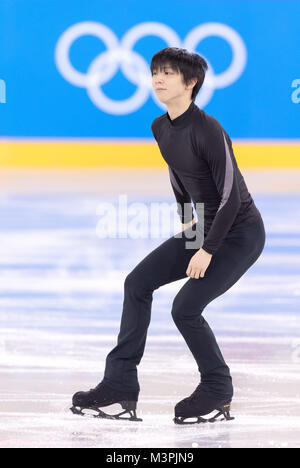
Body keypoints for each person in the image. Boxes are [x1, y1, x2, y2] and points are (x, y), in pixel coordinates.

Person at [70, 47, 266, 424]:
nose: (158, 79)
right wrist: (187, 225)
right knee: (137, 283)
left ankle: (216, 389)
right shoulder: (160, 127)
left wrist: (206, 249)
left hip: (240, 233)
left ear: (191, 82)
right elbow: (180, 178)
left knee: (185, 309)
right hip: (205, 228)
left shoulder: (208, 129)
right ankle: (119, 385)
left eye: (169, 73)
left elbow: (232, 196)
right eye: (155, 71)